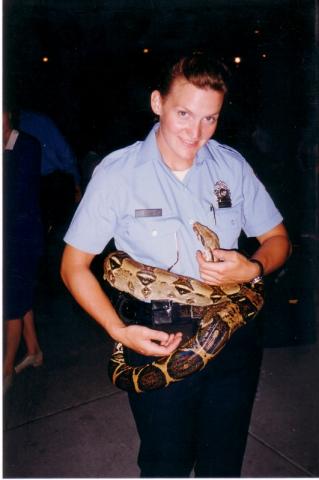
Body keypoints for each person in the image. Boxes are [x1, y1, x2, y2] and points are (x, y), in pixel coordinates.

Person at [61, 52, 291, 477]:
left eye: (210, 118)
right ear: (157, 103)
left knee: (223, 462)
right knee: (165, 464)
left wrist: (252, 269)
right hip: (156, 333)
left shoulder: (231, 166)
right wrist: (117, 329)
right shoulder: (117, 174)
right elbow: (74, 265)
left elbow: (277, 240)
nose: (196, 132)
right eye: (184, 113)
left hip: (234, 333)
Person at [3, 111, 44, 393]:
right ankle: (34, 352)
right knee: (20, 297)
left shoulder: (25, 147)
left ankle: (5, 371)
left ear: (6, 116)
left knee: (11, 303)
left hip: (22, 240)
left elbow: (14, 197)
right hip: (11, 239)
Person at [19, 110, 82, 232]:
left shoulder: (20, 124)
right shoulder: (41, 121)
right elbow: (65, 153)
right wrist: (76, 182)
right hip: (52, 185)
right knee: (61, 231)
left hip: (32, 188)